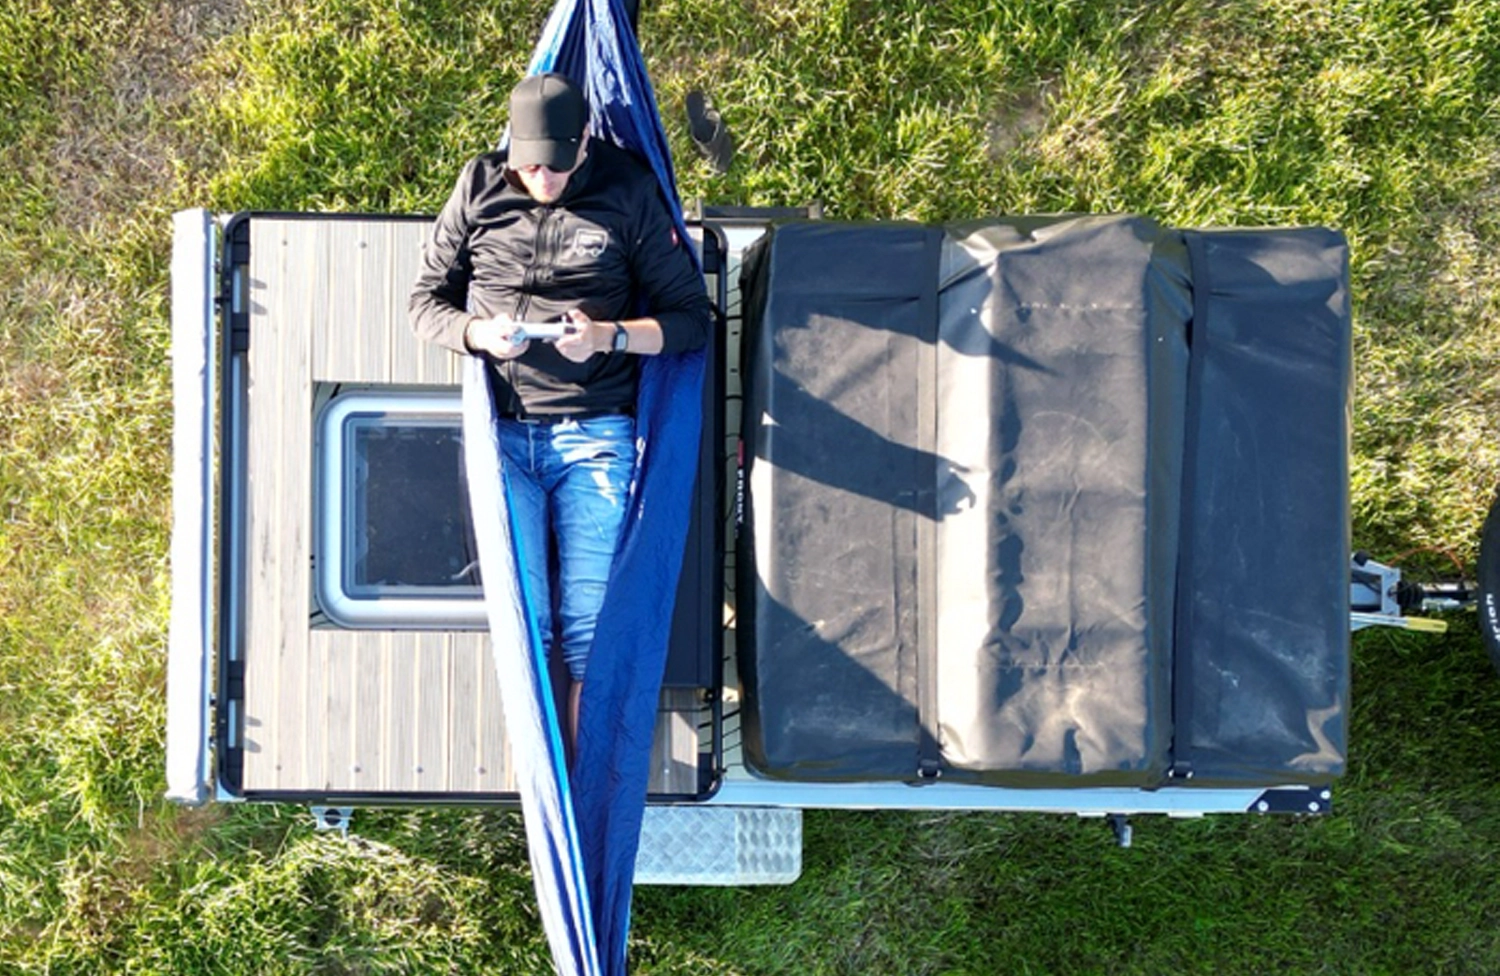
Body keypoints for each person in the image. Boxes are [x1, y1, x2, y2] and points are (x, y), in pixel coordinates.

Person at [409, 71, 712, 755]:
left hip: (595, 433)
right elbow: (424, 304)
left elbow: (692, 321)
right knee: (528, 624)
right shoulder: (480, 184)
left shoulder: (626, 190)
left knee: (588, 629)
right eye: (530, 165)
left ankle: (581, 792)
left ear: (583, 147)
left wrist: (607, 336)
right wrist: (480, 334)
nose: (543, 178)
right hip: (504, 433)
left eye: (557, 164)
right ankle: (543, 779)